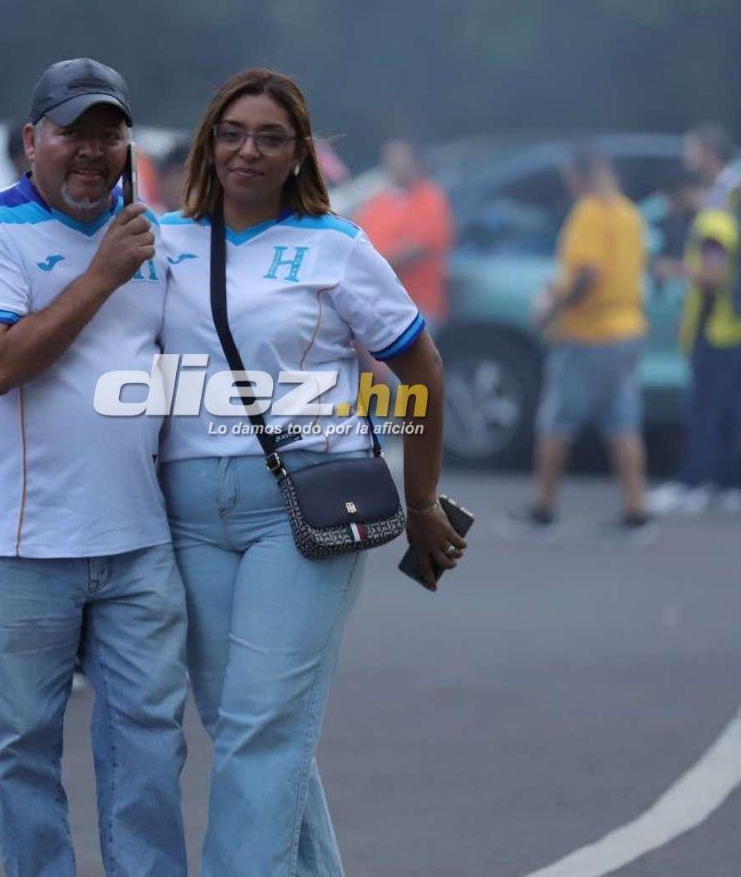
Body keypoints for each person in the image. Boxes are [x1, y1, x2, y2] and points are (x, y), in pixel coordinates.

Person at [157, 68, 464, 876]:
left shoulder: (337, 248)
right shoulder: (164, 241)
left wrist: (424, 499)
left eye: (268, 137)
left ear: (298, 154)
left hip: (302, 507)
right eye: (230, 133)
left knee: (264, 728)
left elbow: (422, 372)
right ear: (208, 145)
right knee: (247, 726)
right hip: (188, 514)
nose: (246, 151)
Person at [0, 58, 188, 876]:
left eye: (107, 134)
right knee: (23, 753)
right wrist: (101, 274)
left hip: (137, 541)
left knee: (151, 749)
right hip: (20, 545)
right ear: (30, 141)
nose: (91, 152)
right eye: (72, 133)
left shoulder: (156, 237)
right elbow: (1, 363)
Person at [505, 148, 652, 542]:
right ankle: (637, 511)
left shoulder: (588, 213)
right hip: (627, 328)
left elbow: (589, 274)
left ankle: (542, 509)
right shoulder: (628, 213)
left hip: (589, 333)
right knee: (623, 423)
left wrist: (555, 307)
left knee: (557, 424)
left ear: (580, 176)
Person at [648, 123, 741, 514]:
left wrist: (673, 269)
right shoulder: (726, 208)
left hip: (722, 328)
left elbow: (715, 274)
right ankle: (737, 483)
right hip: (739, 323)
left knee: (709, 409)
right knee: (738, 409)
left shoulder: (714, 218)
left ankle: (698, 483)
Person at [357, 137, 455, 324]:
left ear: (416, 163)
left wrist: (373, 266)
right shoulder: (377, 202)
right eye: (391, 160)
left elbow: (420, 246)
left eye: (401, 160)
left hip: (416, 305)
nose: (395, 165)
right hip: (378, 304)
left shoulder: (431, 199)